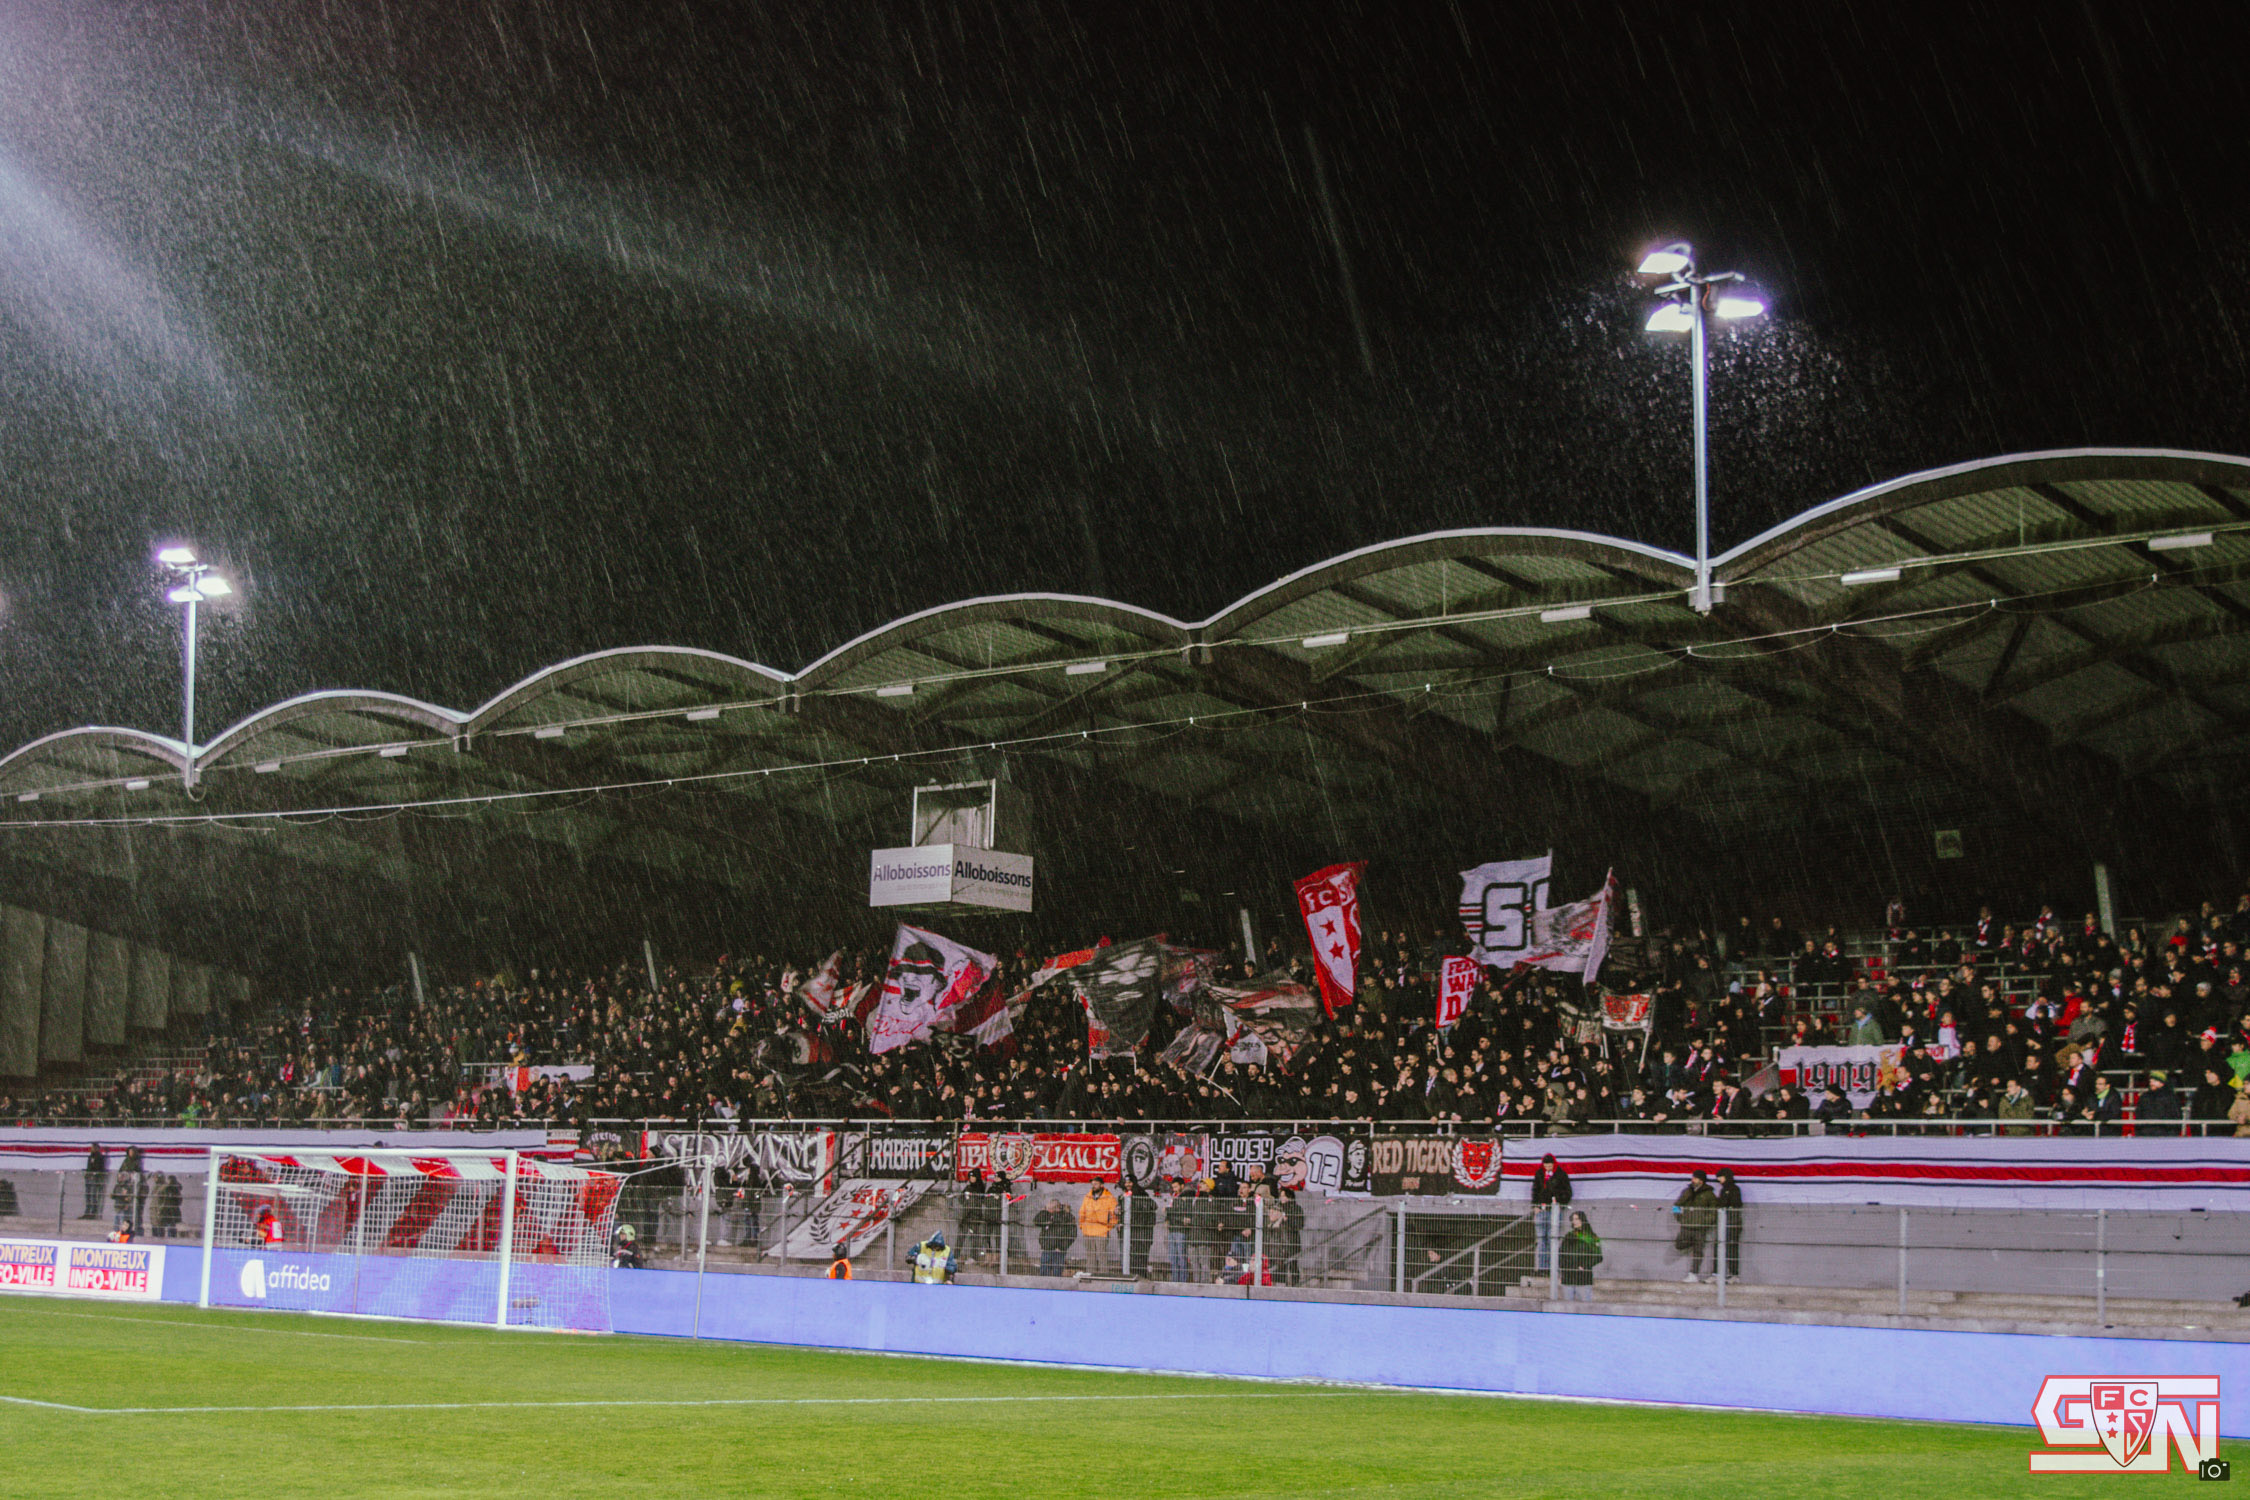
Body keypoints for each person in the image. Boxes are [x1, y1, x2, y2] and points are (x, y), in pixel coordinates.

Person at [1671, 1169, 1718, 1283]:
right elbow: (1677, 1205)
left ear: (1701, 1181)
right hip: (1686, 1226)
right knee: (1679, 1244)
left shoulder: (1709, 1194)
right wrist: (1680, 1218)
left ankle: (1693, 1274)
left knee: (1698, 1252)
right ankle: (1693, 1243)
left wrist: (1705, 1222)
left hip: (1700, 1228)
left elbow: (1714, 1212)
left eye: (1695, 1178)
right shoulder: (1687, 1191)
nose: (1693, 1180)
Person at [1529, 1152, 1571, 1275]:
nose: (1547, 1168)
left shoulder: (1561, 1175)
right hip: (1541, 1210)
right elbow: (1535, 1190)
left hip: (1554, 1210)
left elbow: (1567, 1192)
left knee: (1552, 1238)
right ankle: (1543, 1268)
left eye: (1549, 1166)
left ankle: (1552, 1267)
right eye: (1546, 1166)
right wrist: (1535, 1205)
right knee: (1541, 1239)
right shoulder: (1539, 1174)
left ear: (1554, 1165)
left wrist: (1558, 1201)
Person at [1077, 1180, 1120, 1275]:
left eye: (1096, 1184)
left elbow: (1114, 1214)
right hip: (1088, 1230)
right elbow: (1082, 1212)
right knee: (1090, 1255)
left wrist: (1109, 1226)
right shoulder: (1087, 1196)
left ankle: (1103, 1276)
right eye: (1092, 1184)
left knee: (1102, 1255)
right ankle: (1090, 1275)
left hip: (1102, 1231)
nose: (1093, 1186)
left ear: (1101, 1185)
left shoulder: (1109, 1197)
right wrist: (1082, 1226)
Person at [1557, 1211, 1602, 1301]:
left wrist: (1584, 1266)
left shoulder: (1591, 1236)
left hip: (1583, 1277)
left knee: (1585, 1305)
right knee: (1567, 1305)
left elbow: (1598, 1256)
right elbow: (1561, 1254)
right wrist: (1562, 1271)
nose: (1574, 1221)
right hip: (1568, 1276)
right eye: (1573, 1219)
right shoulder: (1568, 1236)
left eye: (1577, 1219)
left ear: (1582, 1220)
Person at [1714, 1168, 1745, 1281]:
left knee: (1732, 1248)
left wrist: (1725, 1205)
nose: (1719, 1180)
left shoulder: (1735, 1189)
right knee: (1718, 1246)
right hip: (1723, 1223)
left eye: (1720, 1177)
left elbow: (1736, 1204)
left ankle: (1733, 1274)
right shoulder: (1723, 1190)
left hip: (1732, 1223)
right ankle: (1716, 1273)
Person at [1034, 1197, 1076, 1278]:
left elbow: (1072, 1234)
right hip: (1047, 1247)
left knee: (1057, 1270)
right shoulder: (1047, 1214)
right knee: (1044, 1270)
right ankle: (1044, 1284)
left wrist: (1062, 1247)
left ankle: (1056, 1284)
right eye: (1048, 1209)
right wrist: (1043, 1210)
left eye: (1050, 1209)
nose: (1049, 1211)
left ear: (1057, 1208)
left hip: (1059, 1249)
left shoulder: (1067, 1216)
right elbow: (1036, 1221)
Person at [81, 1141, 107, 1221]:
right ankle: (87, 1212)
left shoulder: (100, 1157)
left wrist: (95, 1174)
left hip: (95, 1179)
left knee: (93, 1196)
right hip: (89, 1178)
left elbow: (100, 1168)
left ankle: (93, 1213)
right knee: (88, 1195)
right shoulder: (90, 1157)